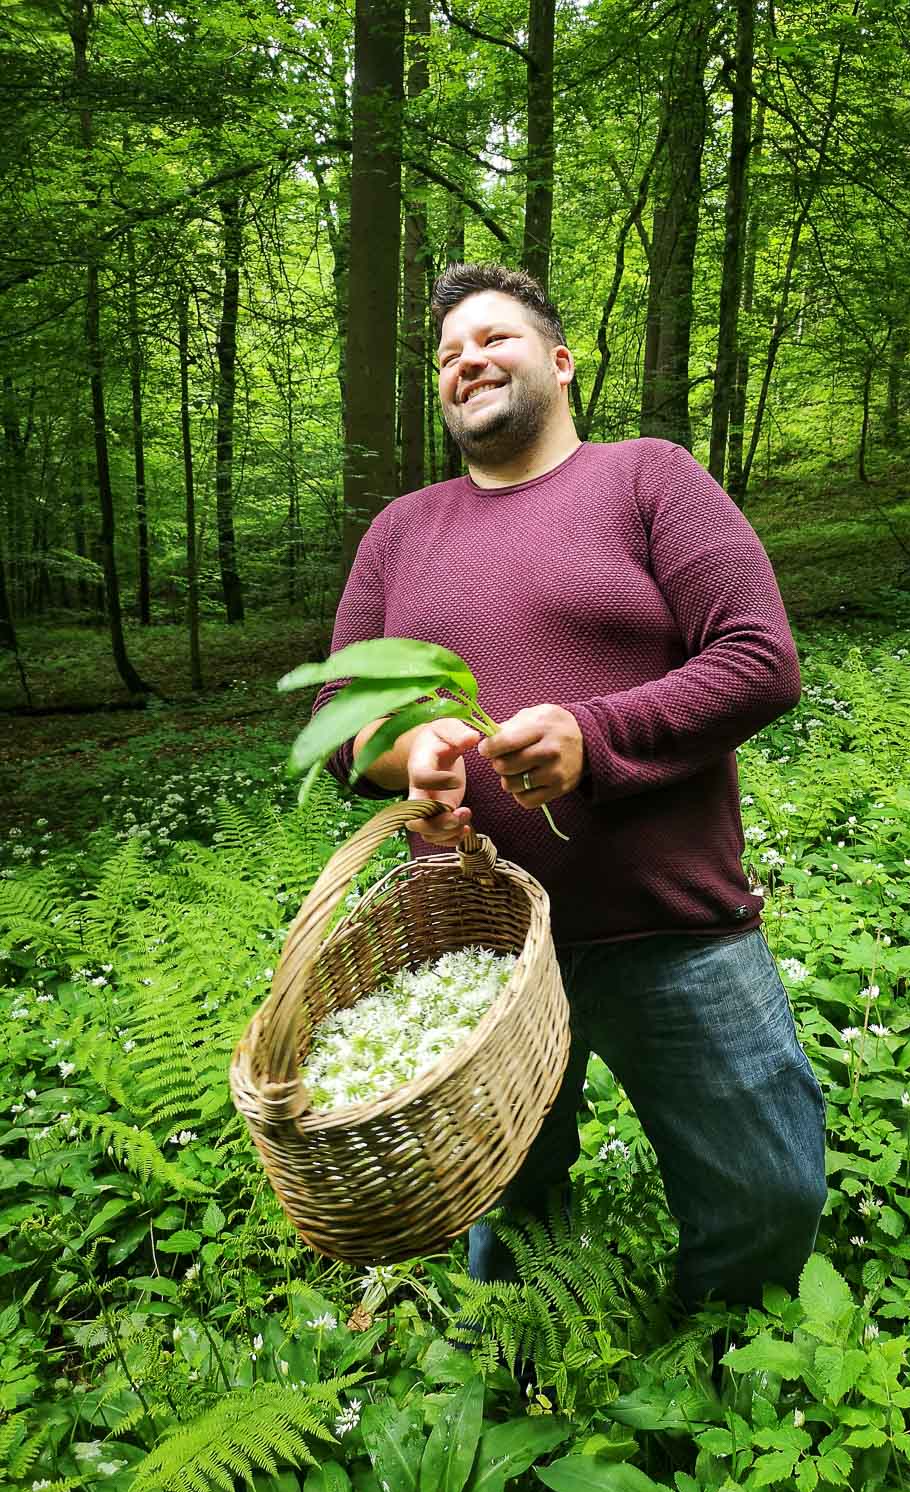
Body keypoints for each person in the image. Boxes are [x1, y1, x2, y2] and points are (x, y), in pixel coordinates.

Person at [314, 262, 826, 1310]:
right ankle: (524, 1353)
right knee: (507, 1191)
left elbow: (758, 657)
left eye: (493, 338)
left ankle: (716, 1359)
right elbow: (339, 727)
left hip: (669, 929)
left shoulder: (650, 478)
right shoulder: (400, 533)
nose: (468, 361)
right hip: (483, 950)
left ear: (558, 360)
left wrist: (595, 737)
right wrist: (406, 752)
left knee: (768, 1191)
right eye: (450, 355)